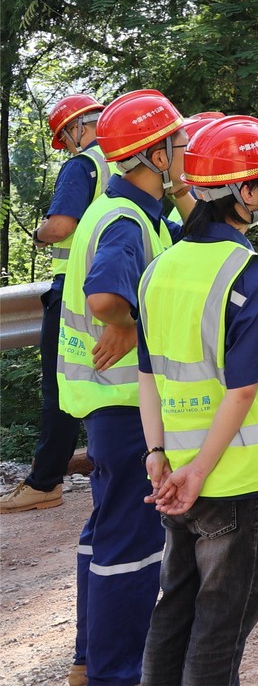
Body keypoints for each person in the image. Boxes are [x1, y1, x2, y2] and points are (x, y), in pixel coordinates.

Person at [136, 115, 258, 683]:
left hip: (176, 472)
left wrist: (157, 456)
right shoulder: (252, 274)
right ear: (245, 193)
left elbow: (148, 374)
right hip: (236, 481)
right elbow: (244, 388)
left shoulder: (158, 270)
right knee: (223, 625)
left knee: (175, 609)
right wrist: (201, 471)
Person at [57, 89, 189, 686]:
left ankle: (89, 659)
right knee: (132, 550)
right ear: (156, 157)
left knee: (104, 534)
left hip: (103, 402)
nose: (186, 152)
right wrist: (129, 324)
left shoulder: (128, 211)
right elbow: (106, 296)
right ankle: (115, 673)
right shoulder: (127, 221)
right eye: (178, 144)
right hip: (124, 405)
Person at [3, 95, 107, 514]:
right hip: (120, 285)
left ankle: (44, 483)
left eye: (65, 137)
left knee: (62, 385)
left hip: (77, 291)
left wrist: (40, 233)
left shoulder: (83, 165)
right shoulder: (127, 162)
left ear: (77, 127)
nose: (67, 144)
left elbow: (61, 225)